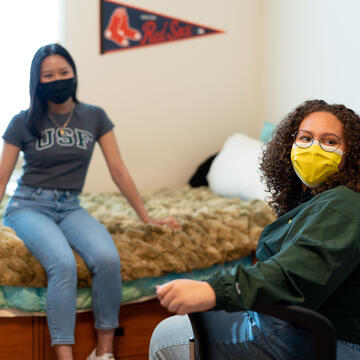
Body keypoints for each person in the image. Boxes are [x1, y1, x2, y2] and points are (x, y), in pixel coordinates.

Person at [0, 43, 179, 360]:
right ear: (37, 81)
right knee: (63, 265)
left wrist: (146, 218)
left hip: (70, 206)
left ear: (74, 74)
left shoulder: (94, 117)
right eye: (48, 75)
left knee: (108, 260)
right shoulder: (22, 121)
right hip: (29, 205)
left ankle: (104, 352)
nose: (58, 79)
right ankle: (65, 356)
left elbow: (118, 171)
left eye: (64, 72)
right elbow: (2, 177)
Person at [149, 99, 360, 360]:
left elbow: (294, 274)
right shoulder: (309, 201)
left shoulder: (343, 204)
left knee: (165, 339)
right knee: (170, 331)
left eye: (329, 141)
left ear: (352, 153)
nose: (314, 148)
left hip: (322, 340)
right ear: (289, 146)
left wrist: (216, 290)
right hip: (290, 323)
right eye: (305, 138)